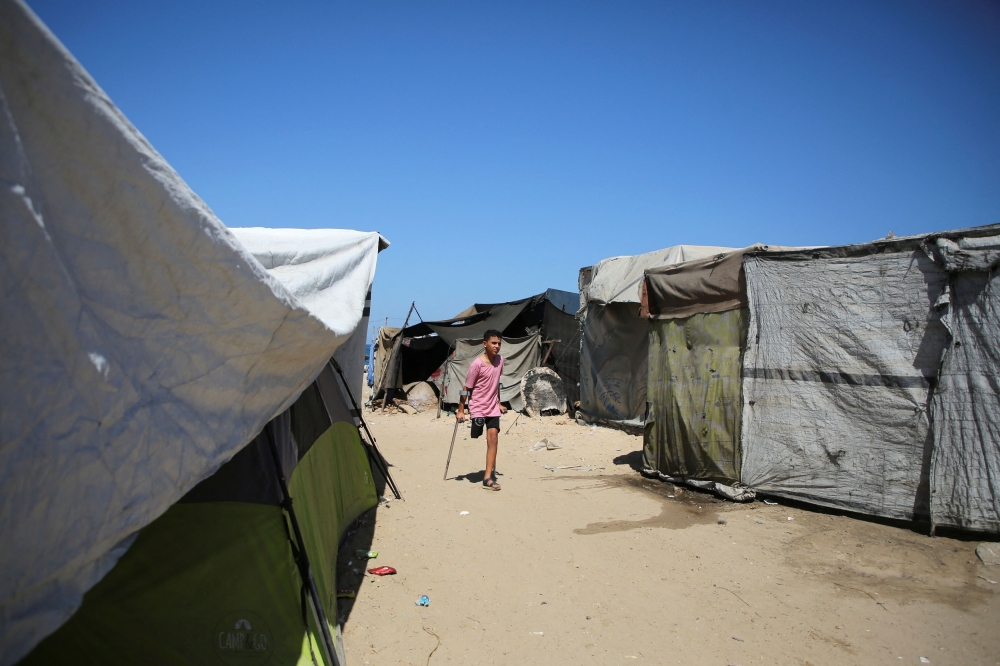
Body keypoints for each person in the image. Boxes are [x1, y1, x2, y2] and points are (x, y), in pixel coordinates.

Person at [456, 329, 506, 490]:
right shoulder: (476, 364)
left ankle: (488, 477)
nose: (497, 346)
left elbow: (496, 382)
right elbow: (466, 388)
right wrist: (461, 410)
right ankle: (486, 474)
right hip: (477, 406)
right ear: (484, 344)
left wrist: (498, 402)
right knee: (475, 435)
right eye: (493, 343)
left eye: (499, 343)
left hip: (492, 407)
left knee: (493, 438)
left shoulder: (500, 361)